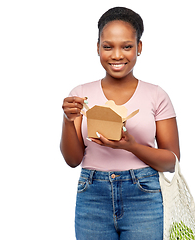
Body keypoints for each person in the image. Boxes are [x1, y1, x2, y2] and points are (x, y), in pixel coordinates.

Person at [60, 6, 180, 240]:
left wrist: (131, 146)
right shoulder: (80, 95)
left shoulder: (157, 95)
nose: (117, 55)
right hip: (92, 194)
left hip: (144, 194)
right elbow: (73, 160)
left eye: (127, 46)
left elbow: (171, 162)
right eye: (108, 47)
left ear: (139, 48)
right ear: (97, 48)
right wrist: (68, 120)